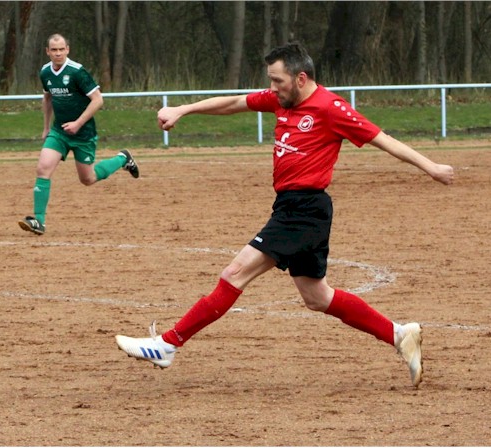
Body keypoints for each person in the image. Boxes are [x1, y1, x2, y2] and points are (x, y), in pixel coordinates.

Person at [114, 42, 454, 388]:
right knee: (317, 297)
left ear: (301, 78)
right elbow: (234, 103)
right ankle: (399, 334)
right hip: (292, 207)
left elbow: (383, 139)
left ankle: (167, 344)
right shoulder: (281, 100)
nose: (272, 88)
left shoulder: (330, 107)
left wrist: (431, 167)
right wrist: (183, 109)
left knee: (235, 272)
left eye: (278, 81)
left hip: (305, 210)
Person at [18, 33, 140, 235]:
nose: (58, 53)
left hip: (83, 134)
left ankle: (122, 158)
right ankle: (39, 221)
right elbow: (47, 98)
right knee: (43, 168)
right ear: (47, 52)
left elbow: (98, 100)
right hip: (59, 132)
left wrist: (78, 123)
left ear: (68, 49)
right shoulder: (45, 72)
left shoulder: (77, 72)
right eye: (53, 50)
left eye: (61, 49)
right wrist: (47, 127)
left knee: (88, 179)